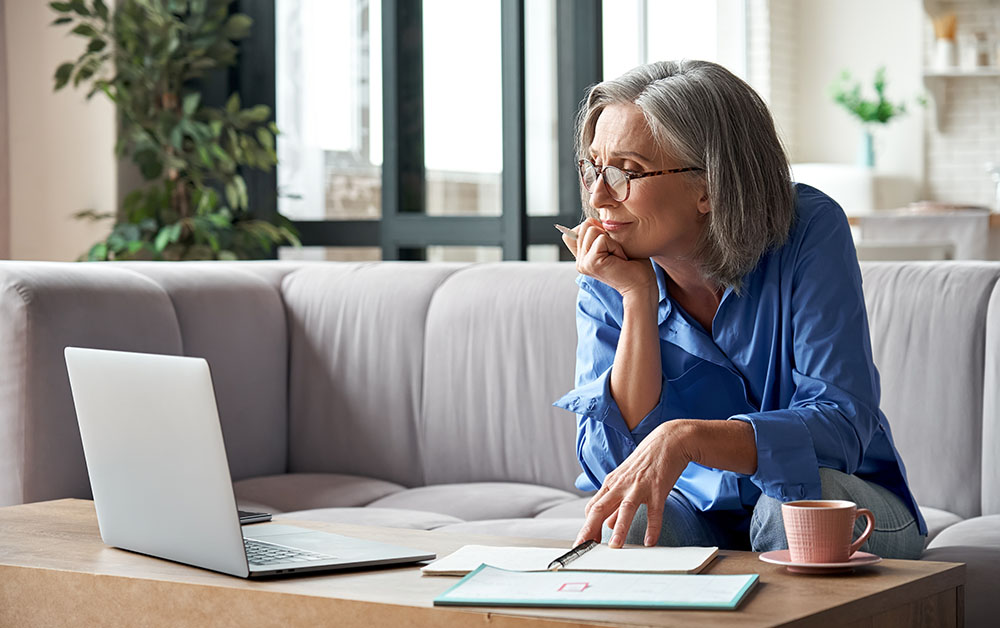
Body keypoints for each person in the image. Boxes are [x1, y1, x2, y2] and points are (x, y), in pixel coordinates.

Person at [553, 60, 926, 559]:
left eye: (627, 172)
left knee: (788, 507)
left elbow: (841, 425)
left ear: (709, 186)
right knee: (634, 517)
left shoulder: (809, 230)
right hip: (699, 512)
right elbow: (613, 464)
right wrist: (637, 299)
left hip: (843, 500)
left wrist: (689, 438)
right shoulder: (611, 265)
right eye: (592, 168)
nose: (599, 197)